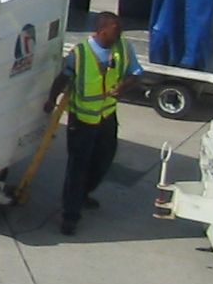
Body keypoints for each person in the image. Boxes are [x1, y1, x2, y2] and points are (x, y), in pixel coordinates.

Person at [43, 13, 142, 235]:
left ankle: (83, 194)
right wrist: (52, 99)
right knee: (77, 167)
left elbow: (135, 74)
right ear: (102, 30)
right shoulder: (79, 54)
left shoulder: (124, 48)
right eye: (117, 29)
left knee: (104, 160)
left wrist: (123, 87)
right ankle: (70, 215)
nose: (121, 33)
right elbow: (63, 78)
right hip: (83, 121)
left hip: (107, 117)